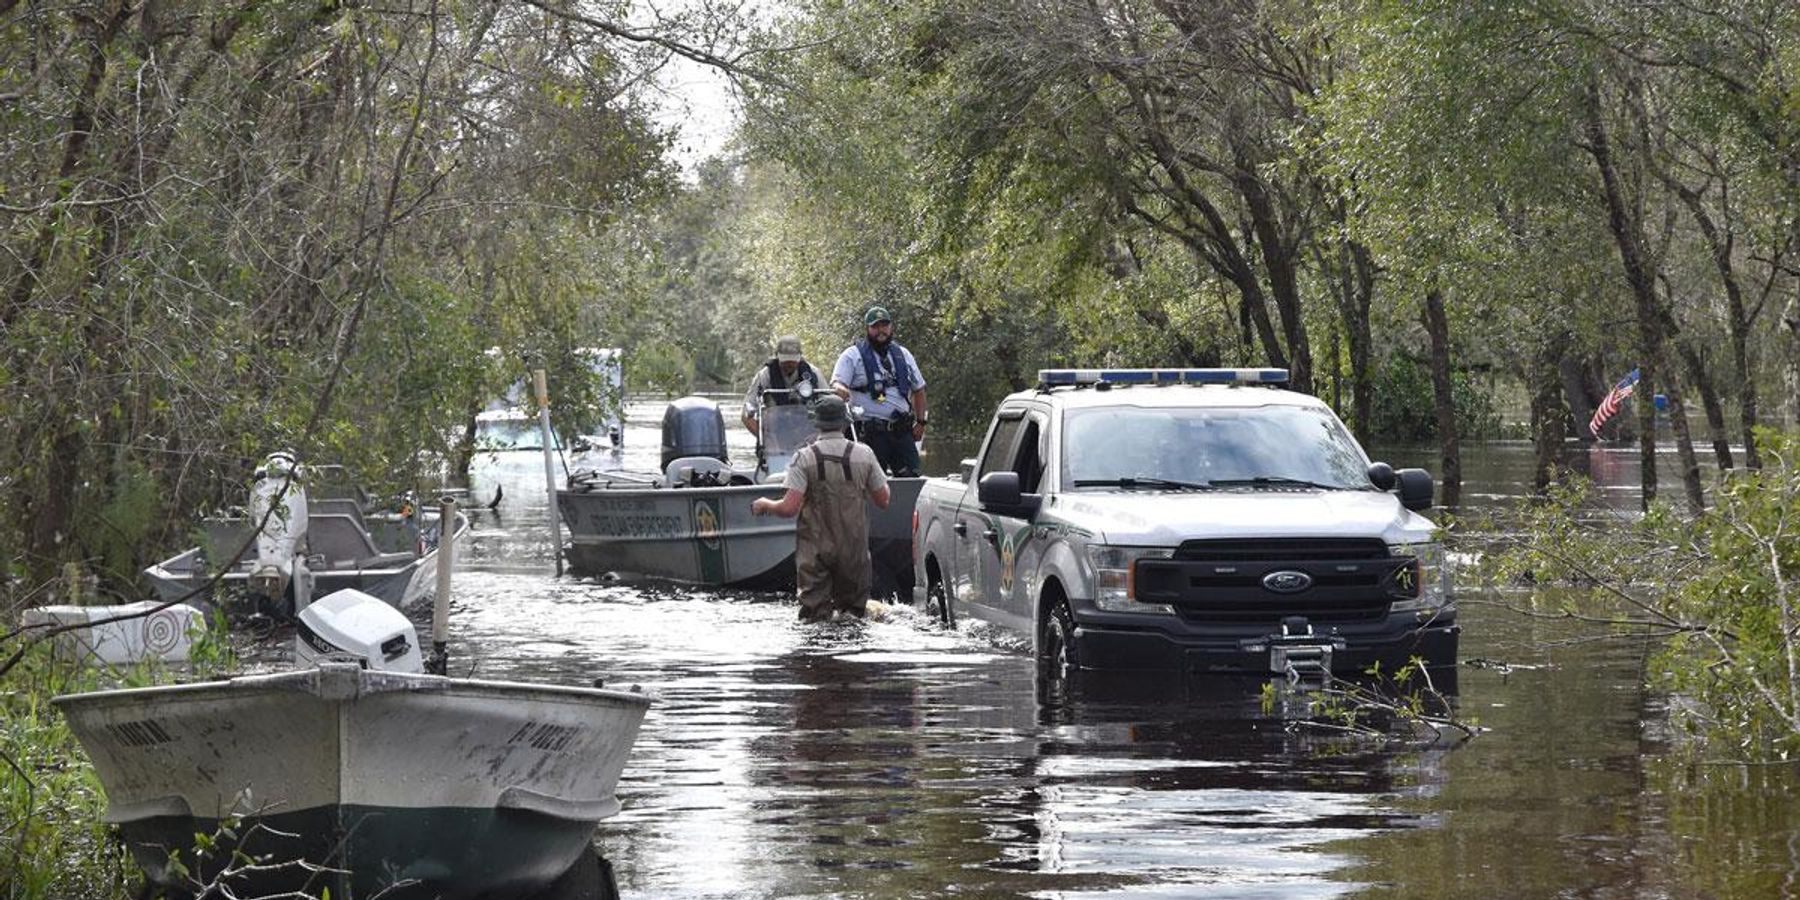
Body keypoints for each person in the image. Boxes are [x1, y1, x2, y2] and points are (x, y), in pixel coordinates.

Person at [752, 395, 891, 621]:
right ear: (845, 423)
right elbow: (884, 500)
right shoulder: (864, 454)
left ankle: (819, 656)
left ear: (816, 423)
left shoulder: (804, 458)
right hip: (854, 551)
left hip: (816, 553)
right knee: (853, 618)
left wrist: (765, 504)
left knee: (814, 620)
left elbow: (789, 508)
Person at [830, 306, 929, 475]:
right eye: (875, 326)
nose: (880, 330)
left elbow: (919, 389)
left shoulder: (903, 355)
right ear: (867, 329)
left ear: (891, 327)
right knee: (870, 481)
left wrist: (920, 422)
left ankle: (905, 501)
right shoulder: (852, 355)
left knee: (913, 476)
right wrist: (840, 390)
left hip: (901, 430)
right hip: (869, 433)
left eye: (884, 325)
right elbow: (836, 383)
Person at [742, 335, 821, 438]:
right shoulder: (765, 375)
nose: (789, 364)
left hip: (807, 433)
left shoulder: (813, 373)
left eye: (793, 361)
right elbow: (746, 414)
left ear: (800, 357)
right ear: (777, 356)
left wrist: (820, 437)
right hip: (775, 433)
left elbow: (830, 403)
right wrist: (765, 439)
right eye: (785, 360)